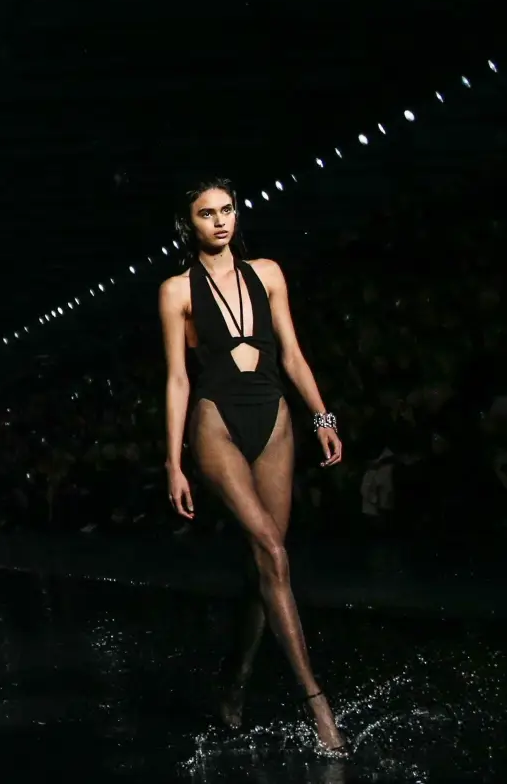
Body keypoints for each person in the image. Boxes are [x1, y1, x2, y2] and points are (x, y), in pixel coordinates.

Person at [160, 179, 347, 754]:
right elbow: (177, 379)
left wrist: (322, 418)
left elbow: (291, 352)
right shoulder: (175, 290)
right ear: (187, 224)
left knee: (268, 566)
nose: (220, 221)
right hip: (215, 422)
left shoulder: (268, 273)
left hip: (276, 419)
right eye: (206, 214)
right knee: (270, 549)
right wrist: (173, 463)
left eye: (227, 210)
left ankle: (233, 683)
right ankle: (317, 703)